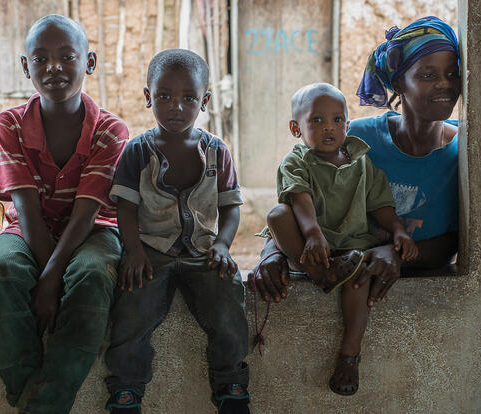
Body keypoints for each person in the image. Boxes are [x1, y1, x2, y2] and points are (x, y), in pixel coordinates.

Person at [250, 16, 460, 395]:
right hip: (337, 258)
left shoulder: (465, 153)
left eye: (452, 73)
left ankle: (350, 356)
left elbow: (454, 243)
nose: (445, 84)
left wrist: (394, 252)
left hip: (373, 274)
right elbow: (292, 201)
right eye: (428, 74)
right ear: (399, 83)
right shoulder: (353, 140)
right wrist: (272, 254)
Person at [0, 14, 129, 413]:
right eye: (40, 59)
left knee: (95, 276)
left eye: (67, 56)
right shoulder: (10, 123)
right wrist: (50, 280)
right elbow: (24, 208)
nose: (53, 67)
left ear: (89, 63)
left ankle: (42, 406)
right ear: (25, 67)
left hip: (92, 229)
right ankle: (38, 400)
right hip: (28, 229)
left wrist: (50, 281)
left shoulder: (111, 131)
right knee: (0, 272)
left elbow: (86, 211)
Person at [103, 49, 250, 414]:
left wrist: (222, 245)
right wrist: (133, 251)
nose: (176, 107)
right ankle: (126, 391)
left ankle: (231, 384)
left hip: (203, 251)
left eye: (189, 98)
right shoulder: (137, 151)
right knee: (133, 308)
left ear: (205, 101)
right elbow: (126, 206)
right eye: (164, 96)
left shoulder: (217, 151)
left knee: (228, 300)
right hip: (151, 250)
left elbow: (230, 207)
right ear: (147, 96)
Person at [263, 82, 417, 396]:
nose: (328, 127)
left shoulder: (362, 161)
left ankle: (349, 355)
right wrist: (313, 233)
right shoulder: (296, 161)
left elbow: (381, 205)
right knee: (278, 215)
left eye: (336, 120)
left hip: (352, 246)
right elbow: (299, 198)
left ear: (347, 125)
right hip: (311, 247)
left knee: (359, 278)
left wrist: (399, 230)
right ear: (296, 128)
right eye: (316, 121)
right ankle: (321, 274)